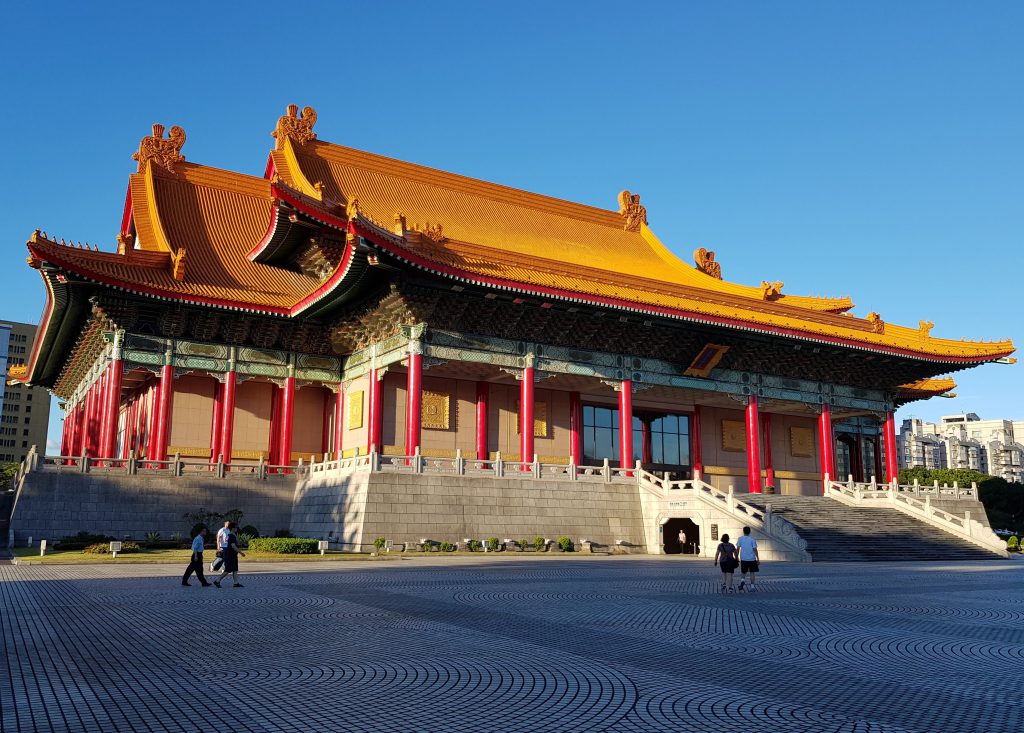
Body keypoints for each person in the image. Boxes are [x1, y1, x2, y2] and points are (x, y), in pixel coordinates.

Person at [213, 522, 246, 588]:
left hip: (233, 555)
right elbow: (233, 546)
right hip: (230, 555)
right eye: (236, 527)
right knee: (228, 570)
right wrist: (241, 552)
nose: (237, 528)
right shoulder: (231, 536)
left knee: (235, 569)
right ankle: (217, 581)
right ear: (233, 528)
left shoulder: (232, 535)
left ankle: (236, 583)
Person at [736, 526, 759, 592]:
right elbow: (755, 549)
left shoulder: (740, 539)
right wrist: (758, 558)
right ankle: (752, 586)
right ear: (750, 532)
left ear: (743, 531)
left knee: (743, 572)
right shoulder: (752, 539)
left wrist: (736, 557)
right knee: (752, 572)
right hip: (752, 559)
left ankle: (742, 581)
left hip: (743, 558)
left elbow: (737, 549)